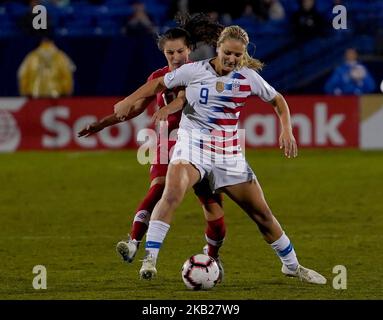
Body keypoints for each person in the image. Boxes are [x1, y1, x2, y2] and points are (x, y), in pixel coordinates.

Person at [114, 25, 327, 285]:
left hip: (228, 154)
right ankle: (150, 258)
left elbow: (278, 100)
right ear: (218, 47)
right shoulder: (195, 70)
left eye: (238, 55)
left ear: (243, 54)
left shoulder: (248, 78)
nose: (232, 59)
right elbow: (158, 83)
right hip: (191, 147)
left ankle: (292, 266)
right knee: (171, 194)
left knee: (262, 215)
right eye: (228, 52)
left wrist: (287, 130)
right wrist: (127, 101)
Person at [78, 14, 227, 280]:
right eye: (170, 52)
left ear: (189, 50)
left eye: (180, 51)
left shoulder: (200, 72)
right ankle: (134, 242)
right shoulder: (158, 77)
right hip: (167, 142)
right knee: (159, 187)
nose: (176, 56)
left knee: (214, 213)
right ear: (164, 53)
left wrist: (168, 107)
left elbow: (183, 99)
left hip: (200, 145)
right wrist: (102, 124)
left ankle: (213, 257)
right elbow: (134, 109)